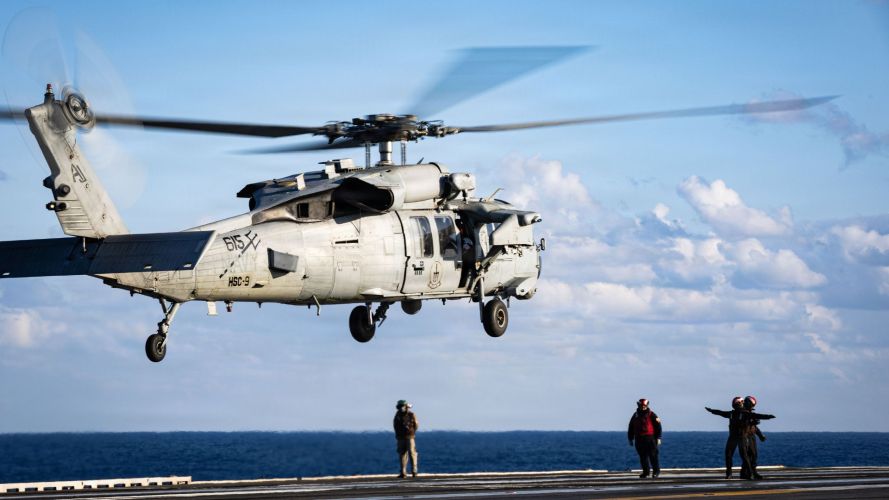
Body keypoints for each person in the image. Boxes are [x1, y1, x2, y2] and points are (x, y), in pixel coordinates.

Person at [737, 396, 774, 480]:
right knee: (747, 455)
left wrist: (760, 435)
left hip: (751, 435)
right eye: (751, 404)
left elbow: (754, 427)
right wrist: (751, 423)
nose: (752, 406)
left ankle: (751, 472)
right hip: (744, 436)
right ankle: (746, 472)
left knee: (753, 455)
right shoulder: (741, 413)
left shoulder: (750, 413)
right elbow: (740, 424)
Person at [627, 398, 662, 478]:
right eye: (641, 406)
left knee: (653, 456)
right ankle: (646, 472)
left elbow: (658, 426)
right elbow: (631, 426)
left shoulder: (652, 414)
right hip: (639, 439)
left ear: (647, 405)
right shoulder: (635, 415)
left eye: (644, 406)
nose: (643, 407)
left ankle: (656, 471)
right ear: (638, 405)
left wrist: (659, 437)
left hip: (650, 438)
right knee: (643, 457)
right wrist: (630, 438)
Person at [393, 400, 419, 479]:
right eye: (400, 406)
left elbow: (416, 425)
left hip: (410, 437)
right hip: (400, 437)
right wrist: (397, 435)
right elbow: (395, 425)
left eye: (403, 406)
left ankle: (414, 471)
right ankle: (403, 472)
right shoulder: (397, 415)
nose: (401, 408)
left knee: (412, 453)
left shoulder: (411, 414)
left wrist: (412, 433)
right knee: (402, 454)